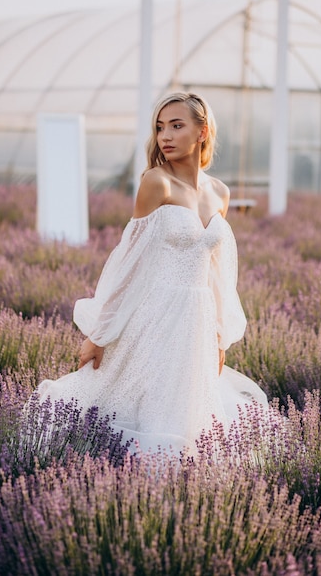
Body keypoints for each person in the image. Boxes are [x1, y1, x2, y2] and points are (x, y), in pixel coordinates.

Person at [35, 92, 269, 454]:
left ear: (202, 131)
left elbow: (218, 274)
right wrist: (100, 334)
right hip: (155, 316)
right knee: (145, 407)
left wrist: (220, 336)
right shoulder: (156, 183)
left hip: (198, 322)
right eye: (160, 128)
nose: (166, 136)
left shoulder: (220, 193)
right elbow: (129, 263)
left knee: (192, 413)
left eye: (177, 126)